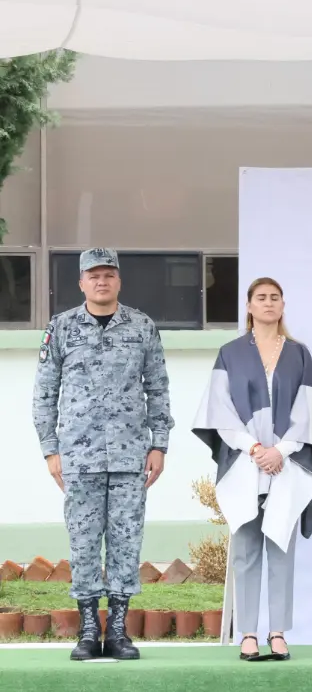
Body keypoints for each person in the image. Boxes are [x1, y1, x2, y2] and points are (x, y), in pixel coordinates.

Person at [32, 248, 172, 661]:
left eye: (109, 274)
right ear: (81, 282)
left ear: (119, 281)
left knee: (127, 541)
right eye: (93, 275)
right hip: (78, 456)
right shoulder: (61, 328)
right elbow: (44, 393)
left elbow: (158, 388)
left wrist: (159, 444)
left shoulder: (142, 327)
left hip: (131, 456)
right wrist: (50, 450)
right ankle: (89, 630)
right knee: (84, 542)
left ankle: (119, 631)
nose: (101, 281)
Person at [192, 278, 312, 661]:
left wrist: (281, 450)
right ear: (249, 306)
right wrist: (255, 448)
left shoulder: (298, 355)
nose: (269, 303)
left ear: (282, 305)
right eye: (261, 297)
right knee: (245, 551)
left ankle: (278, 633)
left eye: (275, 297)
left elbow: (309, 412)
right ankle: (248, 634)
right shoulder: (230, 353)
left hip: (285, 464)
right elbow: (220, 410)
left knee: (281, 548)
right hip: (245, 463)